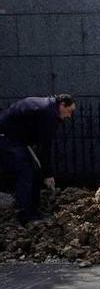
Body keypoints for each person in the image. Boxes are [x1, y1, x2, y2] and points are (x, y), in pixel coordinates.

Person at [0, 94, 76, 224]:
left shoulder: (47, 106)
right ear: (62, 105)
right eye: (69, 111)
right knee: (26, 172)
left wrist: (45, 171)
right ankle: (25, 215)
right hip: (7, 137)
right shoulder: (49, 114)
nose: (69, 116)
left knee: (34, 169)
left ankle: (33, 211)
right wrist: (48, 174)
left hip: (15, 137)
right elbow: (45, 147)